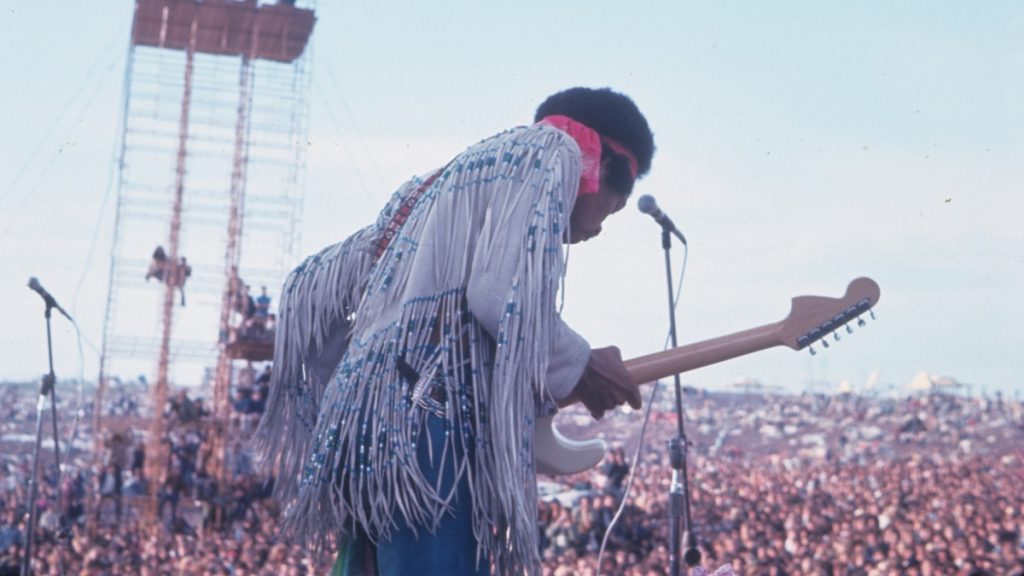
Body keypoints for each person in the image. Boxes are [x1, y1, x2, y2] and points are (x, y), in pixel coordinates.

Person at [254, 87, 654, 575]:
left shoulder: (431, 187)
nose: (599, 229)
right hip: (429, 436)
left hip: (369, 438)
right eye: (612, 208)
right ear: (606, 163)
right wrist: (580, 362)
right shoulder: (551, 152)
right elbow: (499, 294)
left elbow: (310, 289)